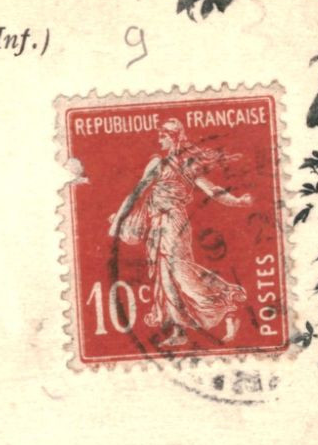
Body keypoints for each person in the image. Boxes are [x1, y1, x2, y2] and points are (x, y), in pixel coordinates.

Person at [107, 118, 253, 348]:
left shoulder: (188, 166)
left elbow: (212, 190)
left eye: (163, 136)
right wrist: (118, 220)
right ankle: (179, 330)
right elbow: (136, 193)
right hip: (157, 224)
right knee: (165, 277)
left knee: (182, 273)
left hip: (174, 222)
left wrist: (238, 201)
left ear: (173, 137)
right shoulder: (157, 163)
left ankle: (227, 310)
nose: (159, 139)